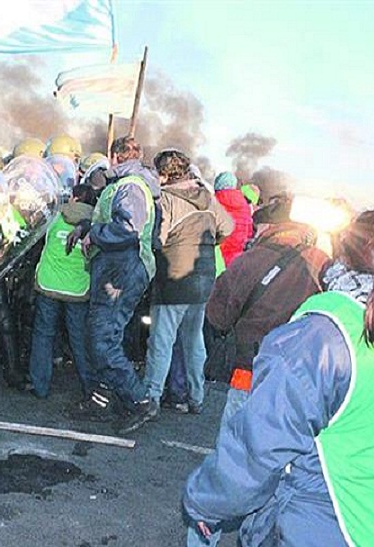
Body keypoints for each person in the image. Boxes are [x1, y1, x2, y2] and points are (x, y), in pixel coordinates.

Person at [183, 209, 374, 547]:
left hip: (329, 525)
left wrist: (205, 502)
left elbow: (258, 450)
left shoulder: (323, 338)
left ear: (344, 258)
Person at [122, 149, 233, 433]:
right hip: (204, 277)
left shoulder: (166, 200)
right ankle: (197, 397)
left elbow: (157, 240)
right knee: (194, 340)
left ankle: (151, 397)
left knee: (161, 341)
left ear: (164, 174)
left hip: (174, 280)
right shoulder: (207, 197)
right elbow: (228, 227)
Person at [204, 198, 330, 425]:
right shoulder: (321, 262)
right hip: (297, 376)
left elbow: (218, 316)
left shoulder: (250, 259)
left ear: (269, 227)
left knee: (236, 437)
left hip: (249, 367)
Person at [68, 136, 159, 428]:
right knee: (104, 336)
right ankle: (102, 400)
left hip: (122, 270)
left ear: (115, 156)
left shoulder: (130, 186)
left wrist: (94, 235)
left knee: (102, 339)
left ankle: (139, 400)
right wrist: (87, 227)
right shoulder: (126, 184)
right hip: (116, 268)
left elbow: (128, 229)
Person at [28, 183, 97, 399]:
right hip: (77, 289)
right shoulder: (97, 223)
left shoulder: (55, 216)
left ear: (73, 198)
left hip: (48, 284)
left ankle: (40, 386)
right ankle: (89, 387)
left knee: (43, 334)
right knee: (79, 338)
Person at [213, 172, 253, 268]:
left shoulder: (213, 202)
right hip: (236, 258)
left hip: (216, 256)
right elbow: (249, 233)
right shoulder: (245, 206)